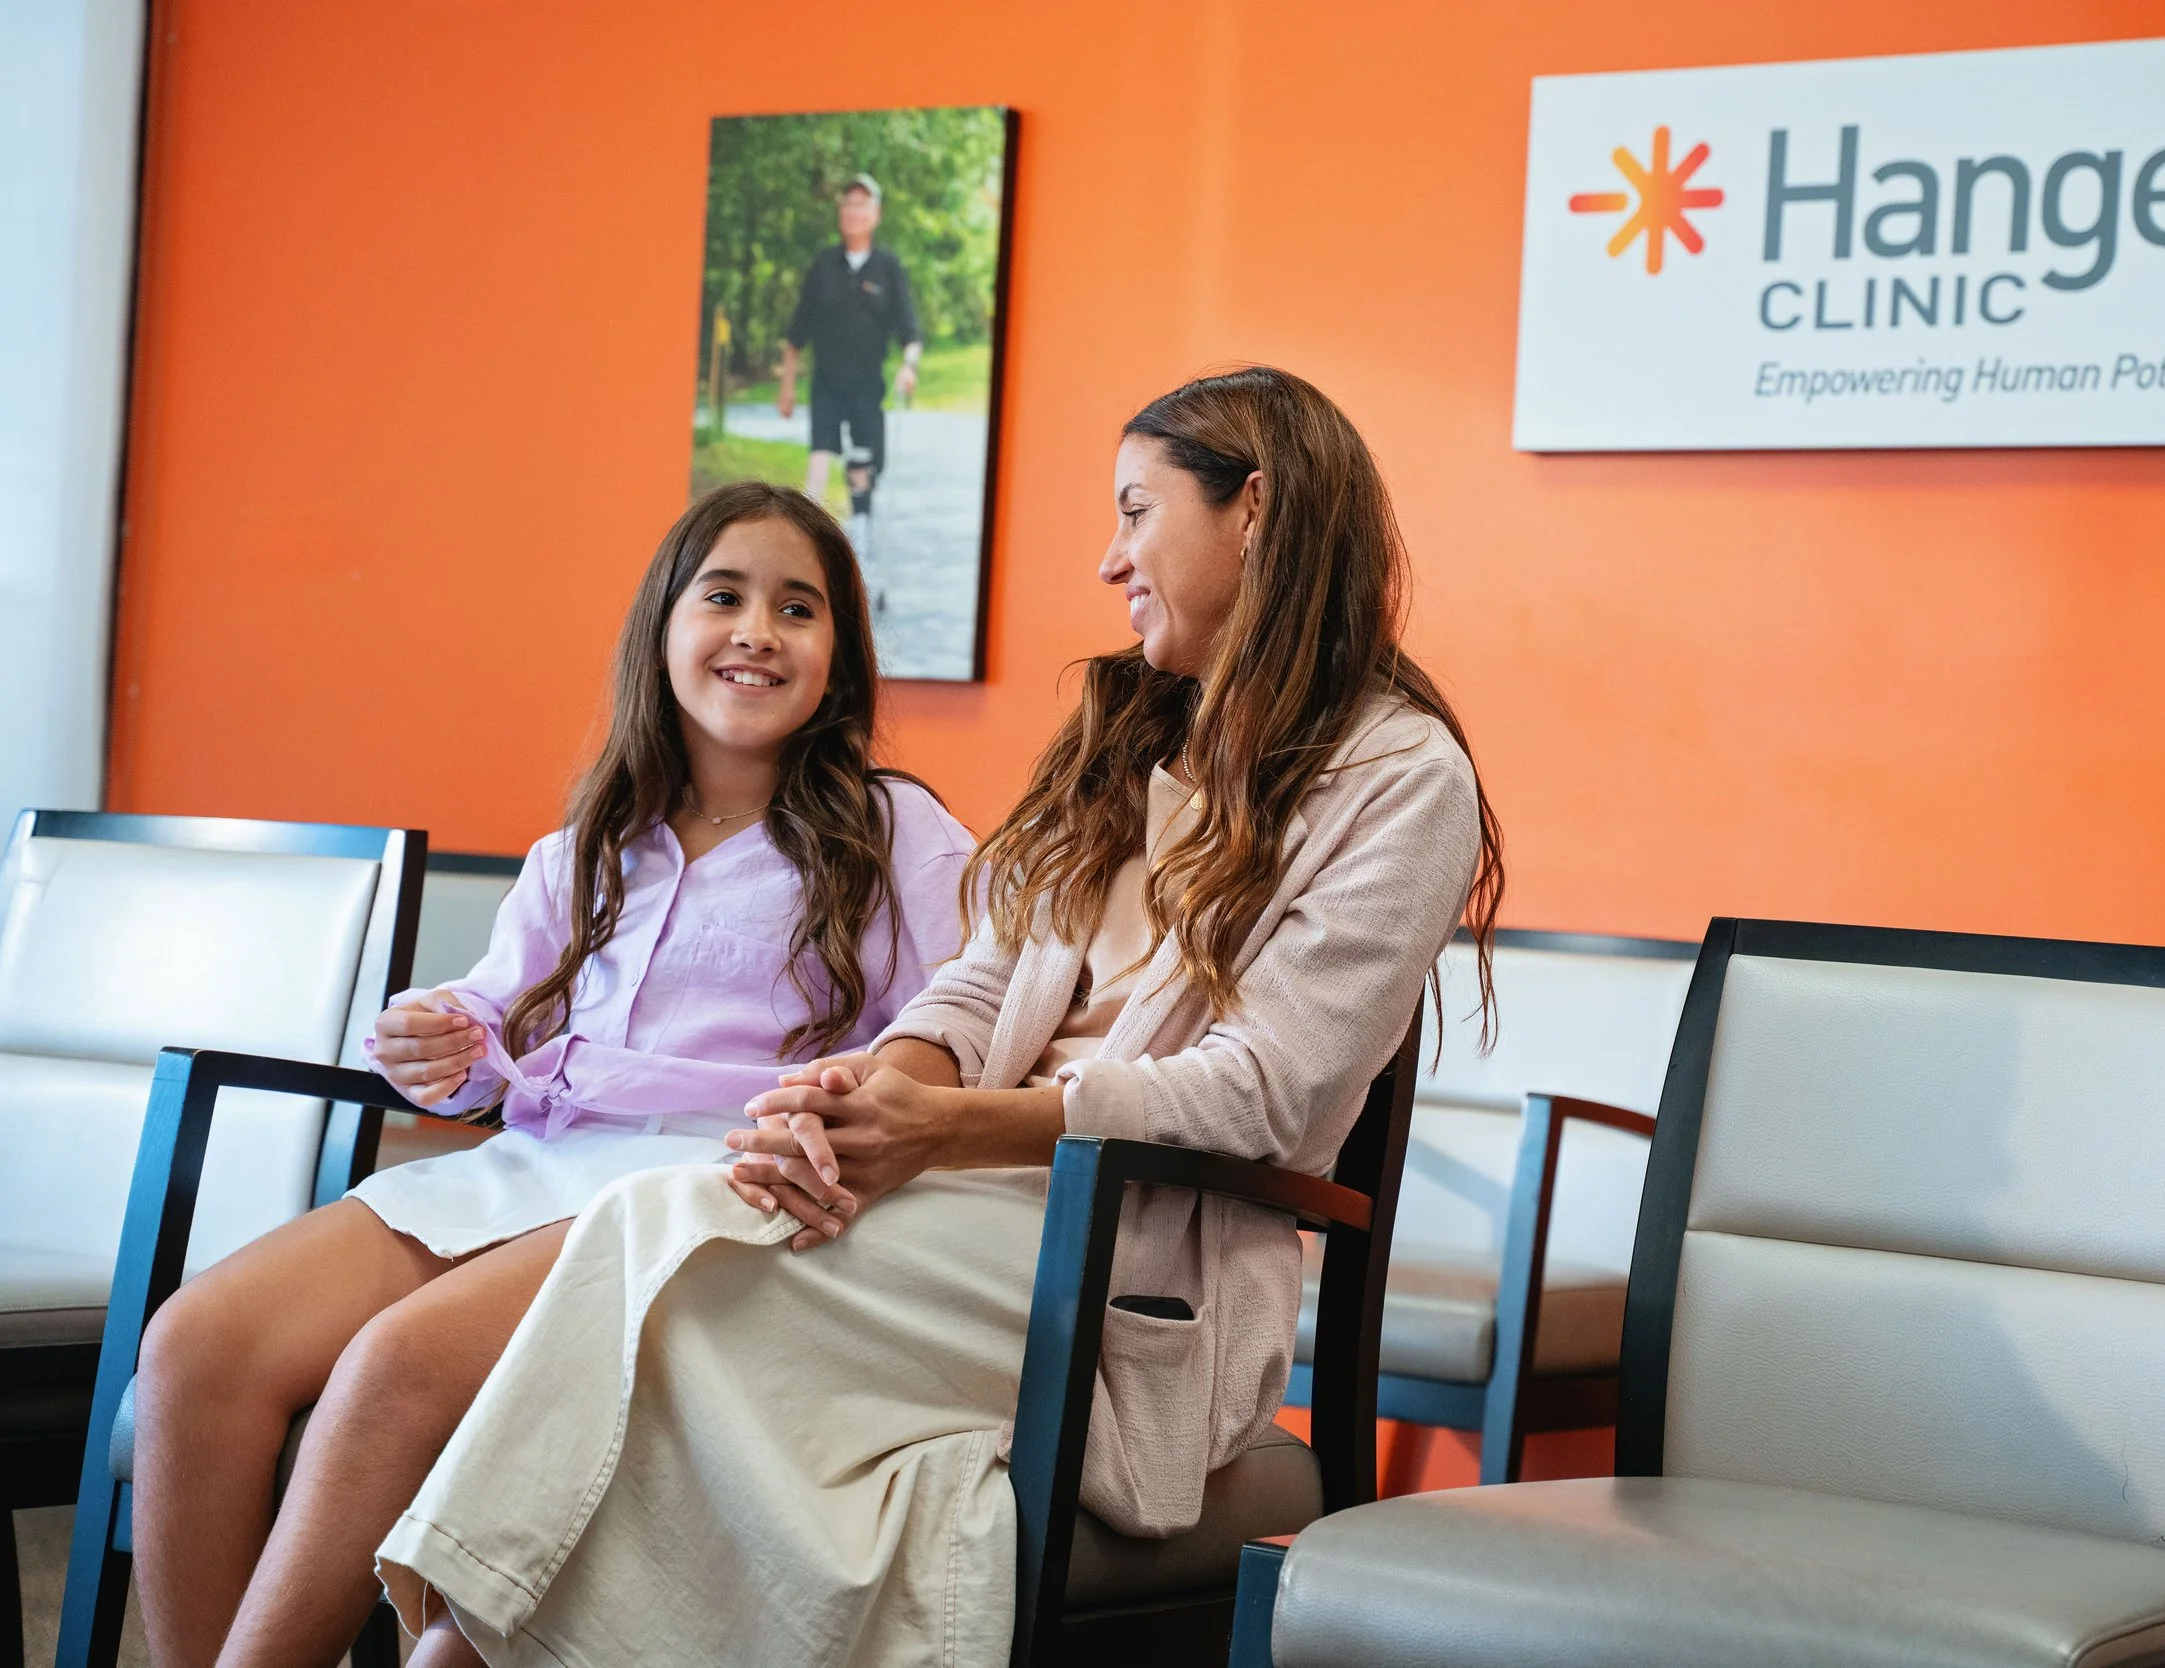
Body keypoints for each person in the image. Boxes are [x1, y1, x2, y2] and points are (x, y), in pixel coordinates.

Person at [347, 365, 1503, 1668]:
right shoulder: (1127, 733)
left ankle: (459, 1641)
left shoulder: (1403, 779)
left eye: (1136, 512)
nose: (1109, 557)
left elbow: (1262, 1097)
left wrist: (943, 1130)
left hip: (1127, 1256)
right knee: (670, 1269)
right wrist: (875, 1091)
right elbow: (977, 982)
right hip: (965, 1197)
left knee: (666, 1255)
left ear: (1256, 509)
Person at [130, 481, 976, 1668]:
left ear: (837, 661)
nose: (757, 631)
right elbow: (491, 1017)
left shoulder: (902, 836)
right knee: (191, 1347)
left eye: (799, 608)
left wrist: (855, 1111)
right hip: (535, 1167)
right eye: (723, 597)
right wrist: (440, 1040)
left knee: (391, 1368)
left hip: (707, 1199)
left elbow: (960, 1038)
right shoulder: (583, 847)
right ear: (662, 629)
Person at [777, 172, 922, 590]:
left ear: (875, 214)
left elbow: (910, 332)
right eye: (848, 204)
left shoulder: (888, 268)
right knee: (820, 459)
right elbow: (796, 334)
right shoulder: (824, 266)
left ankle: (861, 549)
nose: (853, 212)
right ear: (840, 213)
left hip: (867, 387)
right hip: (826, 384)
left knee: (862, 465)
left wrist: (909, 366)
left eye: (862, 205)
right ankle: (804, 547)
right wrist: (787, 387)